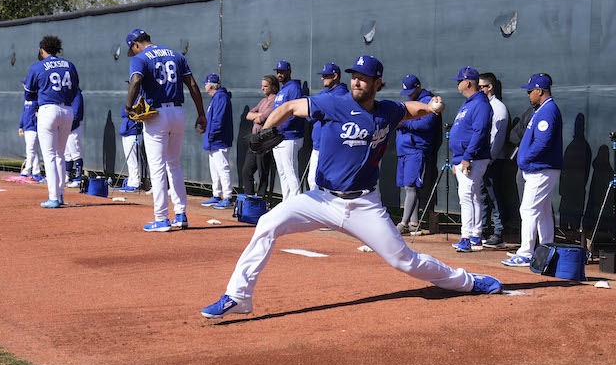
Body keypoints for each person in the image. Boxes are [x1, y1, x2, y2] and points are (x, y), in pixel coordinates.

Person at [201, 55, 502, 318]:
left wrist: (431, 107)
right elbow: (292, 106)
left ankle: (468, 281)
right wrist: (268, 128)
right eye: (354, 77)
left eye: (364, 78)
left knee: (403, 261)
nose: (357, 82)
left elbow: (409, 109)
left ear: (377, 82)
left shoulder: (386, 110)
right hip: (321, 200)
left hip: (364, 205)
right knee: (267, 223)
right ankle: (238, 297)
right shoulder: (335, 102)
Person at [125, 28, 207, 232]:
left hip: (157, 115)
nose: (133, 53)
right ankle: (180, 214)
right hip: (178, 112)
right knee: (174, 164)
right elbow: (193, 85)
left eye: (132, 49)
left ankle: (161, 218)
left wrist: (128, 106)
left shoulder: (141, 58)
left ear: (136, 44)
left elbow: (135, 80)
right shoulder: (176, 55)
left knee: (158, 166)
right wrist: (201, 113)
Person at [503, 74, 563, 267]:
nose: (528, 94)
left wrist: (526, 158)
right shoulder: (541, 109)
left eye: (530, 91)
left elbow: (543, 142)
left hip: (541, 168)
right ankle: (547, 250)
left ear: (540, 91)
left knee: (528, 209)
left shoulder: (548, 110)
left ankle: (526, 252)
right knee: (543, 211)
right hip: (539, 168)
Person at [23, 35, 80, 208]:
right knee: (60, 154)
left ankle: (53, 197)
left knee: (50, 155)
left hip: (48, 109)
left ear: (42, 49)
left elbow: (28, 94)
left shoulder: (38, 66)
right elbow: (75, 89)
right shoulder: (69, 65)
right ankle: (60, 194)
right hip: (67, 109)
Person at [448, 67, 493, 252]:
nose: (457, 84)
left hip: (473, 157)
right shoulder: (469, 103)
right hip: (464, 157)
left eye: (459, 80)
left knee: (466, 196)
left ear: (468, 82)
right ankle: (475, 236)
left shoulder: (480, 103)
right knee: (472, 195)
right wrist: (457, 159)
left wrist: (467, 157)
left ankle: (466, 237)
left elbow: (480, 132)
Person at [395, 74, 439, 235]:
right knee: (408, 186)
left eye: (412, 91)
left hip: (417, 149)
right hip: (404, 149)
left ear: (419, 87)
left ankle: (404, 223)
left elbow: (426, 123)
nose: (409, 94)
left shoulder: (429, 100)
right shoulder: (409, 102)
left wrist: (403, 123)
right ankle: (414, 223)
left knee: (411, 186)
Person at [478, 72, 510, 249]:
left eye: (481, 86)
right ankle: (483, 230)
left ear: (489, 87)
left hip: (492, 161)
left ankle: (498, 233)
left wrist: (488, 160)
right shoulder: (483, 106)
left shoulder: (498, 108)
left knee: (493, 196)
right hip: (483, 160)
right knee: (482, 196)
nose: (477, 90)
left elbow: (496, 138)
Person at [307, 62, 349, 191]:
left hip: (331, 147)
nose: (322, 78)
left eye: (325, 75)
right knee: (313, 181)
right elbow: (309, 114)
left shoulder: (340, 94)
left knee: (326, 184)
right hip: (318, 145)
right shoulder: (325, 94)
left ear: (335, 76)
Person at [271, 60, 306, 201]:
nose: (280, 74)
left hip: (291, 136)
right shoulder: (282, 90)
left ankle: (297, 206)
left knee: (290, 172)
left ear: (289, 72)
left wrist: (278, 126)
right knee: (283, 173)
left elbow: (295, 112)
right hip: (279, 137)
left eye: (282, 71)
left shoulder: (294, 88)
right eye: (278, 72)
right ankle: (286, 203)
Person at [200, 73, 235, 208]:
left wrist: (212, 135)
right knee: (215, 170)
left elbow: (218, 121)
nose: (205, 86)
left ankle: (227, 197)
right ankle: (217, 195)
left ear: (210, 85)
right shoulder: (217, 97)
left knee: (222, 168)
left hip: (219, 140)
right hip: (213, 140)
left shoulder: (221, 97)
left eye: (206, 84)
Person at [241, 75, 279, 197]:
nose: (262, 88)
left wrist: (258, 116)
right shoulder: (263, 101)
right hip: (254, 140)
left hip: (264, 141)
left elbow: (262, 118)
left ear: (273, 87)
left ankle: (261, 200)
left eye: (265, 86)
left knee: (263, 173)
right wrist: (257, 116)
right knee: (246, 171)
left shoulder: (275, 101)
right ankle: (249, 199)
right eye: (262, 85)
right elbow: (249, 115)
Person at [18, 82, 43, 181]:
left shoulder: (37, 97)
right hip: (27, 127)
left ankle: (27, 171)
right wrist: (21, 126)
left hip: (34, 127)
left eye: (25, 84)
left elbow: (41, 111)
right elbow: (24, 113)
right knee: (34, 151)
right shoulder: (26, 98)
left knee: (30, 150)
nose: (23, 86)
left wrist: (37, 122)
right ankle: (36, 172)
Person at [118, 107, 143, 192]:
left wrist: (129, 111)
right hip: (126, 133)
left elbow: (125, 112)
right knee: (130, 160)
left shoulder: (140, 99)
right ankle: (131, 181)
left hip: (134, 132)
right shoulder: (131, 100)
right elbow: (123, 112)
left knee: (134, 159)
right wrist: (128, 111)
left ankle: (135, 183)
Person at [64, 87, 85, 187]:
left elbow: (77, 114)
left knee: (76, 152)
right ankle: (67, 177)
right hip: (66, 127)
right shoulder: (66, 93)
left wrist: (69, 125)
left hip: (74, 127)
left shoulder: (76, 93)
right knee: (67, 153)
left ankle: (78, 179)